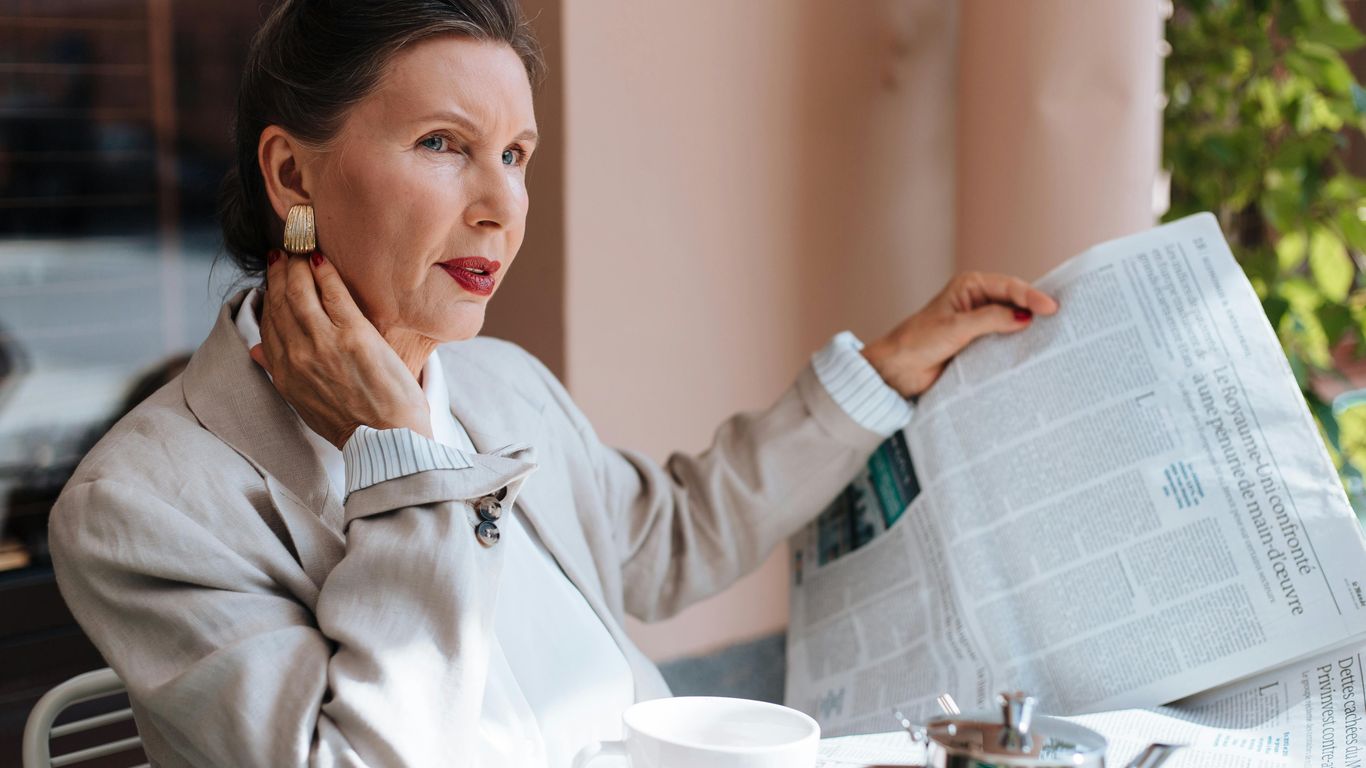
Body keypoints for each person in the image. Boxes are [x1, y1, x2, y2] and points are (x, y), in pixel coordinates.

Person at [48, 1, 1058, 766]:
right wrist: (402, 456)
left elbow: (666, 540)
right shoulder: (138, 507)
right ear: (293, 176)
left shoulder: (501, 384)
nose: (501, 206)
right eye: (444, 144)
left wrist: (880, 375)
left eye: (516, 154)